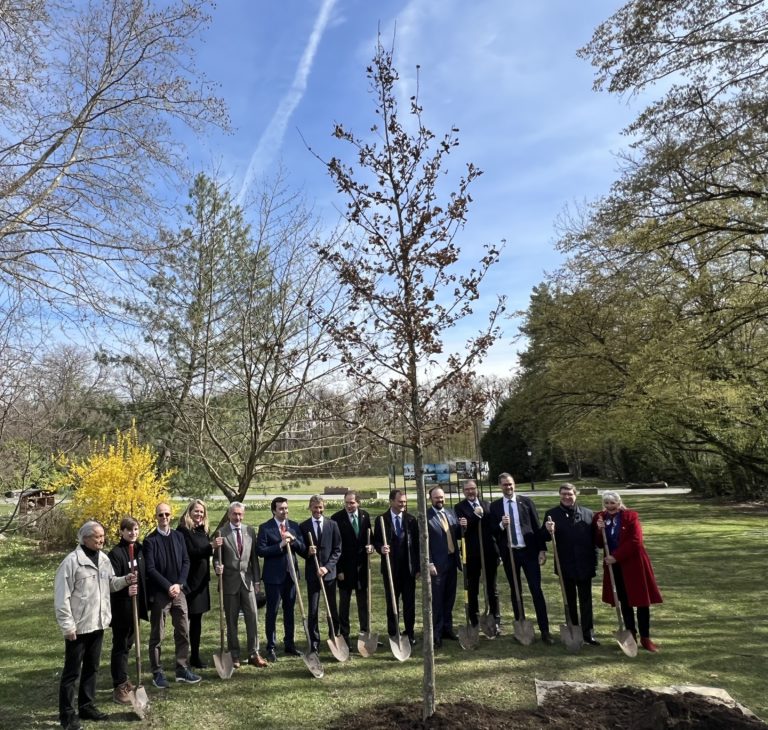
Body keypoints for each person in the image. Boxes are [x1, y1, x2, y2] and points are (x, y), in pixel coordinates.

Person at [54, 520, 136, 730]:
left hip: (98, 623)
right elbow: (62, 598)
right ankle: (67, 715)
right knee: (72, 672)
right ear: (85, 538)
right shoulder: (72, 562)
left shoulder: (103, 559)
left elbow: (110, 584)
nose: (102, 539)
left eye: (102, 536)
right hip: (79, 626)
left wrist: (125, 580)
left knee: (92, 667)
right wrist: (67, 626)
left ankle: (87, 706)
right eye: (97, 536)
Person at [594, 491, 663, 652]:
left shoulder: (630, 517)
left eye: (613, 503)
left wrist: (616, 557)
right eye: (607, 503)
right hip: (614, 566)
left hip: (634, 564)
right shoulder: (600, 518)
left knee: (641, 601)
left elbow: (636, 541)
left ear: (619, 503)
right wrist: (598, 530)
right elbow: (598, 543)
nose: (610, 506)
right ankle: (631, 633)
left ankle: (645, 637)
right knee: (624, 600)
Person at [489, 473, 554, 644]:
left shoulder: (526, 502)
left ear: (514, 484)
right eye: (504, 485)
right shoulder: (495, 507)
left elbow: (536, 526)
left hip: (529, 551)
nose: (508, 487)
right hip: (510, 553)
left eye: (510, 484)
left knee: (536, 589)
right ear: (499, 486)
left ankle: (545, 630)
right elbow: (492, 531)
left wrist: (542, 549)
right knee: (515, 589)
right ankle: (521, 624)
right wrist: (502, 524)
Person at [143, 502, 201, 687]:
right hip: (161, 593)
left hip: (179, 591)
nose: (164, 518)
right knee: (157, 634)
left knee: (183, 630)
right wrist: (168, 586)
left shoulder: (178, 536)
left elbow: (186, 561)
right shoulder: (150, 541)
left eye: (167, 514)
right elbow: (150, 569)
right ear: (156, 517)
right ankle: (157, 672)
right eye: (161, 515)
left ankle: (182, 668)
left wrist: (179, 584)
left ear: (171, 516)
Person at [543, 483, 599, 645]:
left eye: (569, 494)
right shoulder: (552, 515)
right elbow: (544, 538)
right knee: (569, 600)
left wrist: (593, 564)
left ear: (576, 495)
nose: (567, 497)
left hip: (584, 564)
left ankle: (588, 633)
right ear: (559, 496)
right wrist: (548, 530)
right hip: (564, 565)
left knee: (586, 601)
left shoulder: (588, 514)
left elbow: (594, 542)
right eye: (563, 494)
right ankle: (573, 628)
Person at [213, 501, 267, 668]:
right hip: (229, 583)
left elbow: (254, 559)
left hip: (248, 582)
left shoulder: (249, 531)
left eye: (240, 514)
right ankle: (234, 654)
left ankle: (254, 653)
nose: (237, 517)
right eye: (234, 514)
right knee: (231, 621)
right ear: (229, 515)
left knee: (252, 617)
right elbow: (216, 558)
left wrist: (257, 580)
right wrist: (217, 567)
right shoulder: (221, 533)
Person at [255, 496, 306, 662]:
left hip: (291, 576)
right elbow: (261, 550)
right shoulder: (265, 528)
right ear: (274, 511)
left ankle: (289, 644)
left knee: (289, 611)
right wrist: (280, 546)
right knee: (273, 611)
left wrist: (294, 540)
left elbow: (304, 550)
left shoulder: (294, 526)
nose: (285, 511)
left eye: (286, 508)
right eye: (281, 509)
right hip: (273, 577)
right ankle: (271, 646)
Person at [107, 517, 149, 706]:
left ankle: (124, 678)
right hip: (121, 607)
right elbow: (113, 581)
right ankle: (119, 684)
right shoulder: (115, 554)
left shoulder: (140, 550)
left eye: (136, 529)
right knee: (121, 644)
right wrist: (126, 588)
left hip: (136, 606)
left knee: (130, 642)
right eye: (129, 530)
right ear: (122, 532)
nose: (133, 533)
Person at [373, 489, 419, 645]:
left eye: (405, 502)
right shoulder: (381, 520)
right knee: (392, 602)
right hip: (390, 569)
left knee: (409, 603)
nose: (403, 504)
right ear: (391, 501)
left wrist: (417, 568)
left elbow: (416, 546)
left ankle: (409, 632)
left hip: (408, 569)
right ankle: (393, 632)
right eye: (400, 502)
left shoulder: (411, 520)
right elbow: (376, 540)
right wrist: (380, 548)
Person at [455, 479, 500, 634]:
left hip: (489, 552)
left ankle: (495, 618)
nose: (470, 492)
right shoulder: (459, 507)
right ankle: (474, 620)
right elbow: (463, 530)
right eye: (467, 489)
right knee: (472, 587)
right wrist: (475, 515)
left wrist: (498, 552)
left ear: (477, 490)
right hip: (472, 554)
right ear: (463, 491)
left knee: (491, 587)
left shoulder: (488, 505)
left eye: (472, 489)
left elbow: (493, 528)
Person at [298, 495, 342, 653]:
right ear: (310, 507)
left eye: (320, 507)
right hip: (313, 574)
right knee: (313, 609)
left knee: (332, 607)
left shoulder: (332, 525)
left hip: (328, 575)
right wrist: (308, 552)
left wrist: (327, 567)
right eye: (315, 507)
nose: (318, 510)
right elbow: (301, 549)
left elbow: (337, 549)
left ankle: (334, 635)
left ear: (324, 508)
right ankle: (314, 642)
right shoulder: (303, 526)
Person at [331, 490, 374, 649]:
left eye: (352, 503)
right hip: (345, 570)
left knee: (363, 604)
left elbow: (371, 538)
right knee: (344, 605)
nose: (349, 505)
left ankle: (365, 634)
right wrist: (339, 570)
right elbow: (335, 547)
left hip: (362, 569)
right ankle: (345, 635)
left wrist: (371, 547)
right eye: (346, 502)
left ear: (358, 503)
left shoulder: (365, 516)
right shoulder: (337, 518)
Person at [177, 499, 217, 669]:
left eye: (202, 512)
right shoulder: (183, 531)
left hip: (201, 583)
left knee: (197, 622)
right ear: (189, 512)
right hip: (188, 583)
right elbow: (190, 553)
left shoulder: (203, 531)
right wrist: (210, 547)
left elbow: (204, 554)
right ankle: (182, 658)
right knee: (184, 623)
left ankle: (195, 656)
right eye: (196, 511)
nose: (199, 515)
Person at [427, 487, 461, 648]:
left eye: (441, 497)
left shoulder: (450, 513)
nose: (439, 500)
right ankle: (436, 633)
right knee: (437, 600)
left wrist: (463, 526)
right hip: (436, 565)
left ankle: (448, 628)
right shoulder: (426, 517)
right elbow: (424, 543)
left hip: (451, 561)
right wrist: (429, 562)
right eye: (436, 498)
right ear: (430, 499)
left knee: (450, 597)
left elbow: (456, 534)